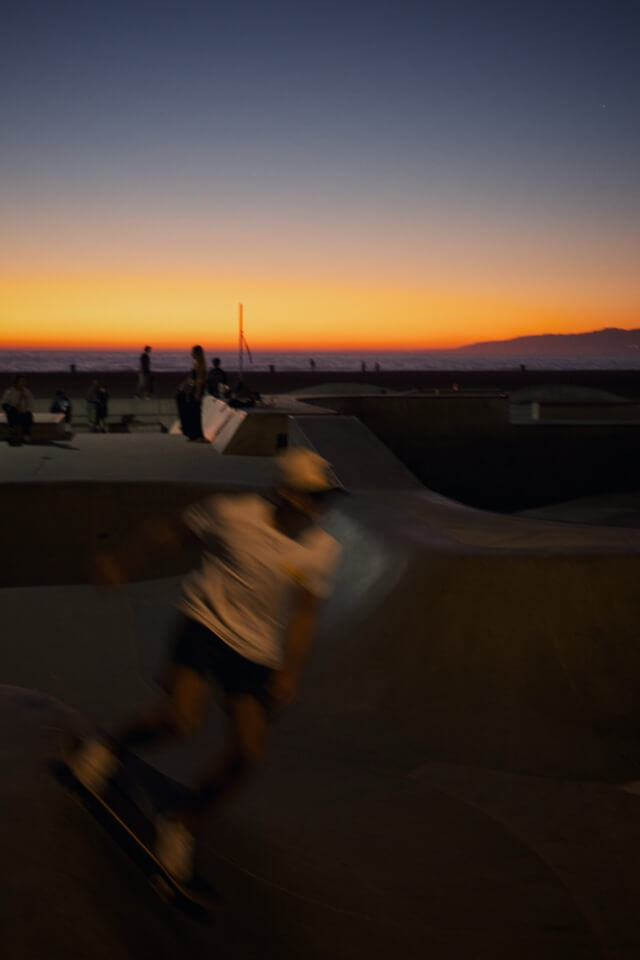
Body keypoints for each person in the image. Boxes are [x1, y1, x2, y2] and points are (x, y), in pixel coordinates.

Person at [69, 448, 342, 884]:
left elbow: (306, 611)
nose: (317, 508)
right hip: (205, 625)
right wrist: (122, 560)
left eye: (323, 499)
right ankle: (106, 749)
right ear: (284, 492)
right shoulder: (232, 513)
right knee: (181, 720)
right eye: (311, 497)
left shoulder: (322, 548)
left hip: (257, 652)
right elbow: (171, 531)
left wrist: (290, 669)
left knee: (248, 753)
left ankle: (181, 824)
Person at [177, 345, 207, 441]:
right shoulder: (196, 363)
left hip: (197, 389)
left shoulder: (201, 364)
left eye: (193, 352)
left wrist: (197, 392)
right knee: (191, 410)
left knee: (195, 411)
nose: (191, 354)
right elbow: (191, 378)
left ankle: (197, 434)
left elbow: (199, 380)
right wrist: (183, 386)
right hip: (193, 389)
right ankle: (192, 433)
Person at [2, 375, 34, 445]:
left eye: (24, 381)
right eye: (21, 381)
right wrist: (14, 407)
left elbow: (31, 404)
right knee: (11, 411)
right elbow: (4, 403)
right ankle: (12, 432)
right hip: (13, 412)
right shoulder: (10, 391)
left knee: (28, 415)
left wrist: (24, 410)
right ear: (16, 382)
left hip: (23, 412)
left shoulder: (27, 392)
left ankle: (26, 435)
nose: (23, 383)